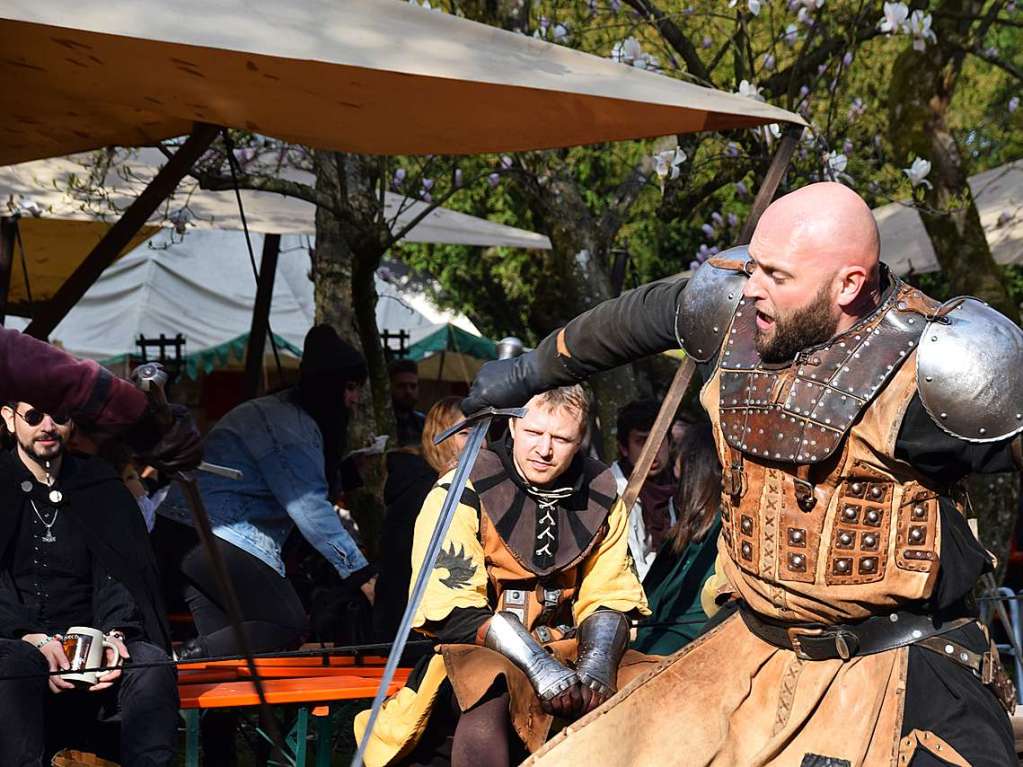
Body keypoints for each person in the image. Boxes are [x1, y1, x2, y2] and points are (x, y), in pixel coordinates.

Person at [462, 182, 1022, 766]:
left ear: (849, 285)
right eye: (755, 267)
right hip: (751, 655)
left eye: (777, 276)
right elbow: (638, 319)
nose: (752, 287)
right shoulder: (739, 315)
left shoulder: (939, 367)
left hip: (900, 671)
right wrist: (528, 372)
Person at [354, 386, 653, 767]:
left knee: (651, 681)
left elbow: (609, 592)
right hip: (477, 655)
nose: (544, 450)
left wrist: (596, 667)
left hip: (571, 651)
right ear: (511, 427)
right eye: (533, 433)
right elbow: (453, 607)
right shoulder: (460, 489)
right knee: (489, 682)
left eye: (560, 438)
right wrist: (538, 667)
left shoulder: (600, 494)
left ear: (580, 440)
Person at [163, 325, 376, 660]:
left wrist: (345, 470)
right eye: (350, 388)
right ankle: (178, 660)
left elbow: (289, 481)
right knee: (286, 622)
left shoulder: (281, 413)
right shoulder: (292, 426)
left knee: (227, 661)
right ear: (329, 387)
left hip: (183, 532)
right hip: (216, 535)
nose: (355, 399)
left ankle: (197, 678)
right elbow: (309, 507)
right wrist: (362, 574)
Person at [0, 403, 178, 767]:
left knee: (150, 664)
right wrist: (31, 637)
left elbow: (122, 572)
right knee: (13, 665)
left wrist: (115, 635)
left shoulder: (98, 483)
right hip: (16, 639)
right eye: (34, 417)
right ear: (8, 418)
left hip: (91, 636)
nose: (48, 426)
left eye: (59, 417)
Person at [373, 396, 469, 642]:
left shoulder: (451, 483)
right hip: (414, 630)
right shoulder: (426, 492)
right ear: (442, 437)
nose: (479, 443)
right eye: (466, 433)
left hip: (427, 626)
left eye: (482, 432)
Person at [631, 417, 722, 655]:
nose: (675, 480)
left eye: (679, 476)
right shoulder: (693, 528)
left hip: (683, 648)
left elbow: (692, 617)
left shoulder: (719, 530)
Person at [610, 400, 677, 581]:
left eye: (658, 440)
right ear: (624, 448)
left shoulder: (676, 485)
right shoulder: (612, 491)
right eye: (641, 442)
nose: (653, 451)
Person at [391, 358, 426, 448]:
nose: (408, 391)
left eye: (413, 386)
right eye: (401, 386)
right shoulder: (380, 422)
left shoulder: (423, 424)